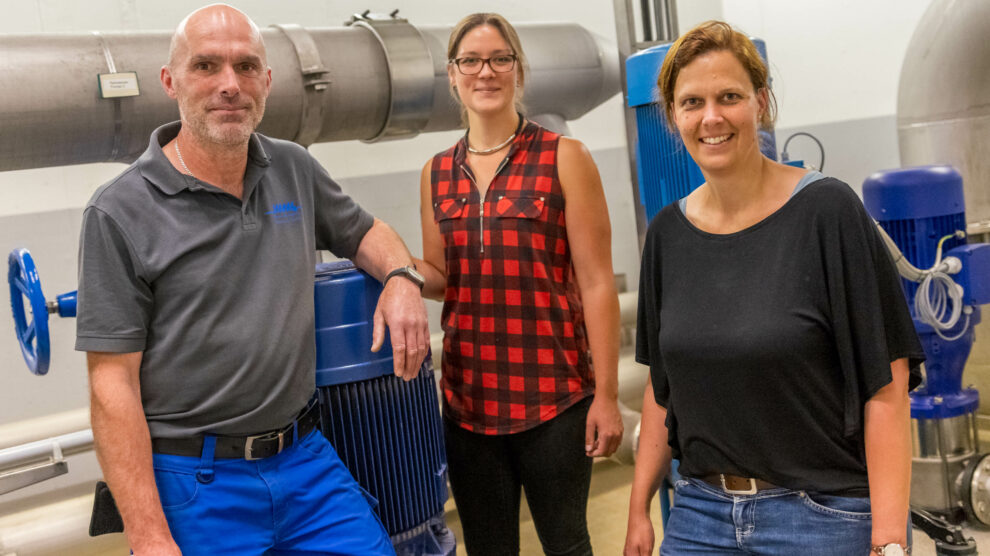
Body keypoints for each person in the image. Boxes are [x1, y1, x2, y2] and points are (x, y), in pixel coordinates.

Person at [75, 4, 429, 555]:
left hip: (305, 459)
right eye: (206, 67)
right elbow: (110, 385)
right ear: (171, 82)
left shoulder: (293, 168)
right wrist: (147, 534)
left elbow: (366, 231)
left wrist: (403, 278)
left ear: (267, 81)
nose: (229, 85)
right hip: (194, 479)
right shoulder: (118, 211)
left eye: (245, 67)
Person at [623, 20, 924, 556]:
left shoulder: (828, 212)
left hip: (820, 517)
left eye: (729, 96)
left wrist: (889, 539)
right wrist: (639, 511)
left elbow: (886, 384)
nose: (711, 117)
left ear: (761, 102)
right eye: (692, 102)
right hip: (699, 516)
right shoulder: (668, 234)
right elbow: (660, 388)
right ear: (674, 116)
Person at [414, 12, 623, 556]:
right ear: (453, 74)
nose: (486, 71)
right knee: (487, 547)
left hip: (553, 399)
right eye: (471, 61)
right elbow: (440, 278)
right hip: (469, 406)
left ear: (518, 71)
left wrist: (606, 396)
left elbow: (597, 282)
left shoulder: (563, 157)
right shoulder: (436, 172)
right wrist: (388, 264)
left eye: (500, 59)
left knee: (567, 543)